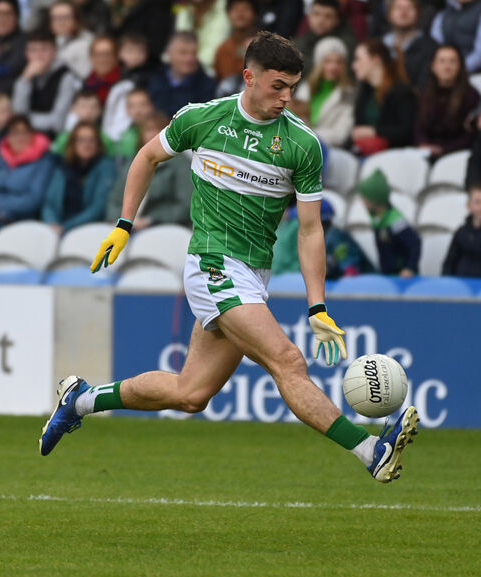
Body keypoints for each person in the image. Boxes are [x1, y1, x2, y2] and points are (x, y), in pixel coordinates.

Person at [38, 32, 420, 486]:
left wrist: (317, 306)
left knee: (190, 393)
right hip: (211, 264)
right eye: (278, 85)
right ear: (249, 77)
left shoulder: (302, 145)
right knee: (288, 361)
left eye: (293, 87)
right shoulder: (203, 118)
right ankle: (371, 451)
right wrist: (124, 225)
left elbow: (312, 229)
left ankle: (79, 399)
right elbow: (146, 157)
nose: (287, 97)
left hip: (252, 274)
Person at [104, 112, 192, 229]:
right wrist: (120, 221)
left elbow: (186, 205)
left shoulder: (180, 163)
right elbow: (115, 199)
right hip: (130, 226)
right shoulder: (133, 161)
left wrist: (150, 220)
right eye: (149, 130)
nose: (153, 135)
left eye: (159, 130)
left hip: (166, 229)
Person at [0, 114, 56, 231]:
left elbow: (34, 200)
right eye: (14, 133)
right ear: (8, 137)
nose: (19, 138)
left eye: (24, 133)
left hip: (20, 223)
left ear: (32, 135)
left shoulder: (43, 162)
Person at [42, 121, 116, 233]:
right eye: (81, 140)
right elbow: (49, 204)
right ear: (73, 143)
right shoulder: (63, 167)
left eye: (91, 140)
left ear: (98, 143)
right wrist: (52, 224)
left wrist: (65, 227)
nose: (86, 144)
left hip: (89, 229)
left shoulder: (106, 167)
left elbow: (98, 208)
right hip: (59, 227)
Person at [350, 38, 416, 156]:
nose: (354, 66)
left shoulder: (401, 92)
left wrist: (374, 132)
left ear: (376, 60)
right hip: (364, 154)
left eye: (358, 59)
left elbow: (407, 132)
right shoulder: (365, 92)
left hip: (394, 157)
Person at [414, 44, 479, 159]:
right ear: (433, 66)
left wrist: (444, 149)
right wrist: (424, 144)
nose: (447, 66)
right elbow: (418, 127)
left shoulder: (471, 95)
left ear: (460, 66)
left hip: (457, 154)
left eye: (452, 61)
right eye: (442, 61)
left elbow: (470, 134)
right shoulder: (424, 94)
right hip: (426, 152)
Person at [12, 30, 80, 138]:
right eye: (33, 50)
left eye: (44, 49)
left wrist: (27, 119)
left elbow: (58, 123)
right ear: (26, 53)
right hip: (26, 139)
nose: (39, 56)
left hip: (54, 139)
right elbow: (18, 116)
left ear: (55, 51)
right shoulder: (24, 75)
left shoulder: (66, 77)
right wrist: (24, 80)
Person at [291, 37, 355, 148]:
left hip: (328, 149)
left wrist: (309, 132)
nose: (333, 67)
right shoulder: (306, 87)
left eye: (338, 62)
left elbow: (341, 135)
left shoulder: (348, 93)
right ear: (319, 63)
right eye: (327, 61)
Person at [357, 169, 421, 277]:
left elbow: (415, 243)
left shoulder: (395, 221)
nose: (362, 201)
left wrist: (409, 268)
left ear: (375, 199)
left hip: (401, 278)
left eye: (365, 198)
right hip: (388, 274)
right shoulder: (377, 218)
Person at [147, 32, 217, 118]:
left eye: (193, 53)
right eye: (183, 53)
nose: (189, 58)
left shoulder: (207, 86)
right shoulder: (154, 78)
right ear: (169, 53)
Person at [382, 0, 437, 89]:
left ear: (418, 14)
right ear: (389, 14)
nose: (404, 12)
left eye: (409, 8)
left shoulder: (430, 48)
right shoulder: (380, 46)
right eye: (398, 8)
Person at [293, 0, 355, 79]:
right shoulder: (299, 42)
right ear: (309, 16)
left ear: (337, 20)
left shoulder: (345, 44)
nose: (321, 21)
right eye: (316, 14)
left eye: (328, 16)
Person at [430, 0, 481, 74]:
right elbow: (435, 45)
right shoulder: (443, 14)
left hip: (476, 74)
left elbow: (479, 55)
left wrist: (457, 70)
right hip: (446, 74)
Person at [213, 0, 259, 83]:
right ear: (228, 14)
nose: (240, 14)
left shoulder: (263, 45)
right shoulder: (223, 48)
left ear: (255, 14)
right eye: (236, 9)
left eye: (245, 9)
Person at [48, 0, 94, 80]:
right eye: (56, 18)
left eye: (66, 17)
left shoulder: (87, 42)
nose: (61, 22)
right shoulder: (56, 39)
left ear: (76, 20)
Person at [442, 185, 481, 276]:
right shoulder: (461, 233)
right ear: (469, 205)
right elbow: (449, 263)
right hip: (461, 284)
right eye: (477, 202)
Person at [83, 35, 120, 105]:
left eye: (107, 54)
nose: (102, 59)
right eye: (98, 54)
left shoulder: (123, 84)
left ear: (116, 57)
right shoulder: (86, 83)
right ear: (91, 57)